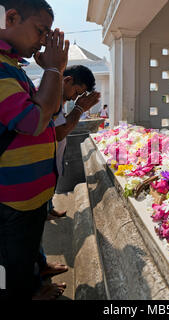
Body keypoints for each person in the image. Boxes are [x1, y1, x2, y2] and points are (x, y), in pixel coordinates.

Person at [0, 0, 69, 300]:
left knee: (28, 243)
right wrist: (55, 68)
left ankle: (38, 270)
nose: (44, 41)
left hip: (30, 196)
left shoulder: (13, 66)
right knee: (13, 257)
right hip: (12, 198)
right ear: (11, 18)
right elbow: (35, 120)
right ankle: (27, 294)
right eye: (41, 31)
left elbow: (48, 109)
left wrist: (52, 72)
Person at [35, 66, 100, 293]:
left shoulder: (58, 97)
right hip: (31, 173)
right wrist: (81, 108)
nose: (76, 98)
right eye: (77, 91)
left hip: (45, 168)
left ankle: (40, 265)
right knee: (26, 231)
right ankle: (32, 283)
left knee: (34, 227)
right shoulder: (47, 94)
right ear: (68, 80)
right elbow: (60, 132)